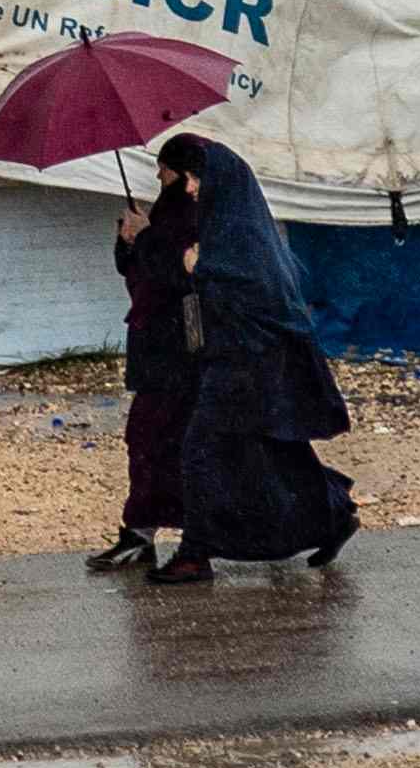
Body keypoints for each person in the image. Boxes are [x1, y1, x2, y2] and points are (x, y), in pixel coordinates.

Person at [144, 134, 358, 583]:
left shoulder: (238, 231)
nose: (189, 189)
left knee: (201, 449)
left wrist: (198, 268)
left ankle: (195, 553)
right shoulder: (228, 223)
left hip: (249, 364)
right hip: (235, 360)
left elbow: (248, 291)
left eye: (193, 178)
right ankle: (334, 514)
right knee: (271, 450)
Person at [91, 168, 199, 573]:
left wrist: (148, 236)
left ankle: (183, 541)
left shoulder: (198, 217)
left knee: (163, 442)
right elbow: (140, 275)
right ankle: (142, 533)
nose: (159, 175)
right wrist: (131, 241)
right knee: (148, 442)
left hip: (182, 355)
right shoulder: (169, 215)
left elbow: (181, 274)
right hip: (158, 353)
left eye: (166, 168)